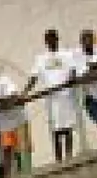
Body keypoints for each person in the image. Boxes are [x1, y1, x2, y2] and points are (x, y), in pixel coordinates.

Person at [29, 29, 82, 162]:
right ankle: (58, 158)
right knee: (55, 129)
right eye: (48, 39)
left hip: (66, 95)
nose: (51, 41)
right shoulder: (41, 58)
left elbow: (74, 70)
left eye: (53, 38)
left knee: (68, 126)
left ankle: (69, 156)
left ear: (57, 39)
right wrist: (24, 92)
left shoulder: (67, 54)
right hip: (52, 99)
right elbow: (34, 77)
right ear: (46, 42)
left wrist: (72, 80)